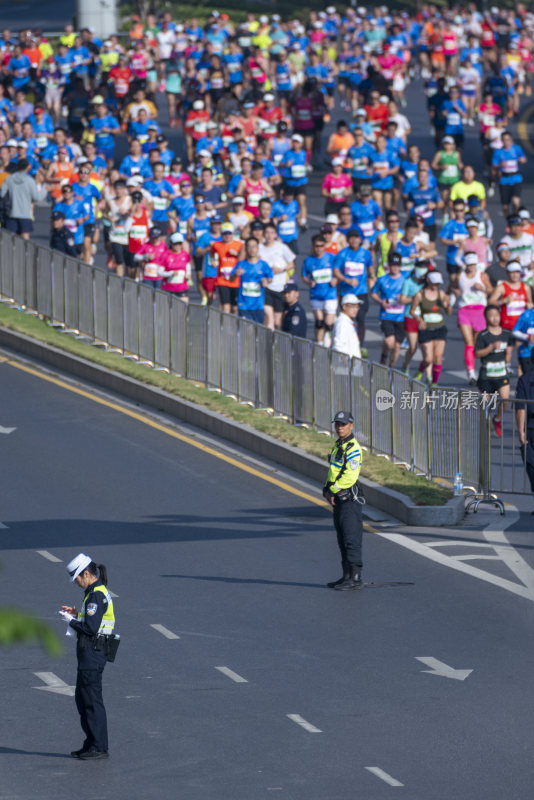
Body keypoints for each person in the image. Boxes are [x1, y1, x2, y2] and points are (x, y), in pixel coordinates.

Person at [60, 553, 116, 760]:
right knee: (83, 699)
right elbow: (92, 620)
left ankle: (99, 746)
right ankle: (91, 742)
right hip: (91, 653)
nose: (76, 582)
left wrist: (70, 621)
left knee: (91, 700)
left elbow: (91, 628)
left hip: (93, 652)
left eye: (76, 578)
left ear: (86, 573)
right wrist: (76, 615)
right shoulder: (94, 592)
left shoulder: (95, 595)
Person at [322, 410, 364, 591]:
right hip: (338, 497)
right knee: (341, 538)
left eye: (343, 424)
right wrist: (326, 488)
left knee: (351, 537)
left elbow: (350, 476)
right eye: (337, 424)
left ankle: (355, 578)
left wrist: (332, 489)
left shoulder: (353, 448)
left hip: (349, 499)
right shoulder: (338, 446)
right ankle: (346, 576)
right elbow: (333, 470)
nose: (340, 428)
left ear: (351, 426)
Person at [475, 305, 513, 436]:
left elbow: (509, 351)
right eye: (491, 315)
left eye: (497, 315)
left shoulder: (507, 334)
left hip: (501, 373)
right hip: (487, 374)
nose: (495, 318)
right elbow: (477, 353)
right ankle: (484, 421)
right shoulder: (483, 335)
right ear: (486, 317)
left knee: (505, 399)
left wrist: (508, 359)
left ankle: (497, 419)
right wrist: (490, 348)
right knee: (486, 403)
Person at [515, 351, 534, 508]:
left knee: (531, 466)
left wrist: (521, 431)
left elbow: (521, 407)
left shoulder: (525, 379)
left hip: (530, 429)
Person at [332, 293, 361, 359]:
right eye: (352, 306)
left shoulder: (347, 321)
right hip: (346, 367)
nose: (355, 309)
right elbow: (338, 345)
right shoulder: (342, 323)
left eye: (357, 307)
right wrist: (345, 362)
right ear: (344, 307)